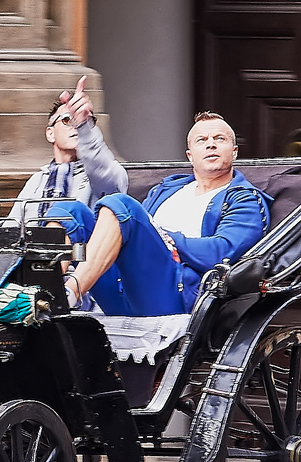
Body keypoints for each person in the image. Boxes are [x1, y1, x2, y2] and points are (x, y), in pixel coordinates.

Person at [57, 111, 269, 318]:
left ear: (234, 151)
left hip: (177, 292)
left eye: (219, 139)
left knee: (120, 204)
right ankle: (42, 291)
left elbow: (222, 252)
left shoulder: (245, 198)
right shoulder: (166, 190)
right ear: (190, 155)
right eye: (201, 140)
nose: (210, 144)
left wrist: (168, 239)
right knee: (70, 212)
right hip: (125, 282)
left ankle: (68, 294)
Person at [12, 75, 127, 222]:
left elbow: (108, 179)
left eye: (86, 120)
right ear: (50, 134)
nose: (76, 126)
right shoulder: (37, 180)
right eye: (67, 120)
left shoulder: (105, 173)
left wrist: (84, 127)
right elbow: (12, 224)